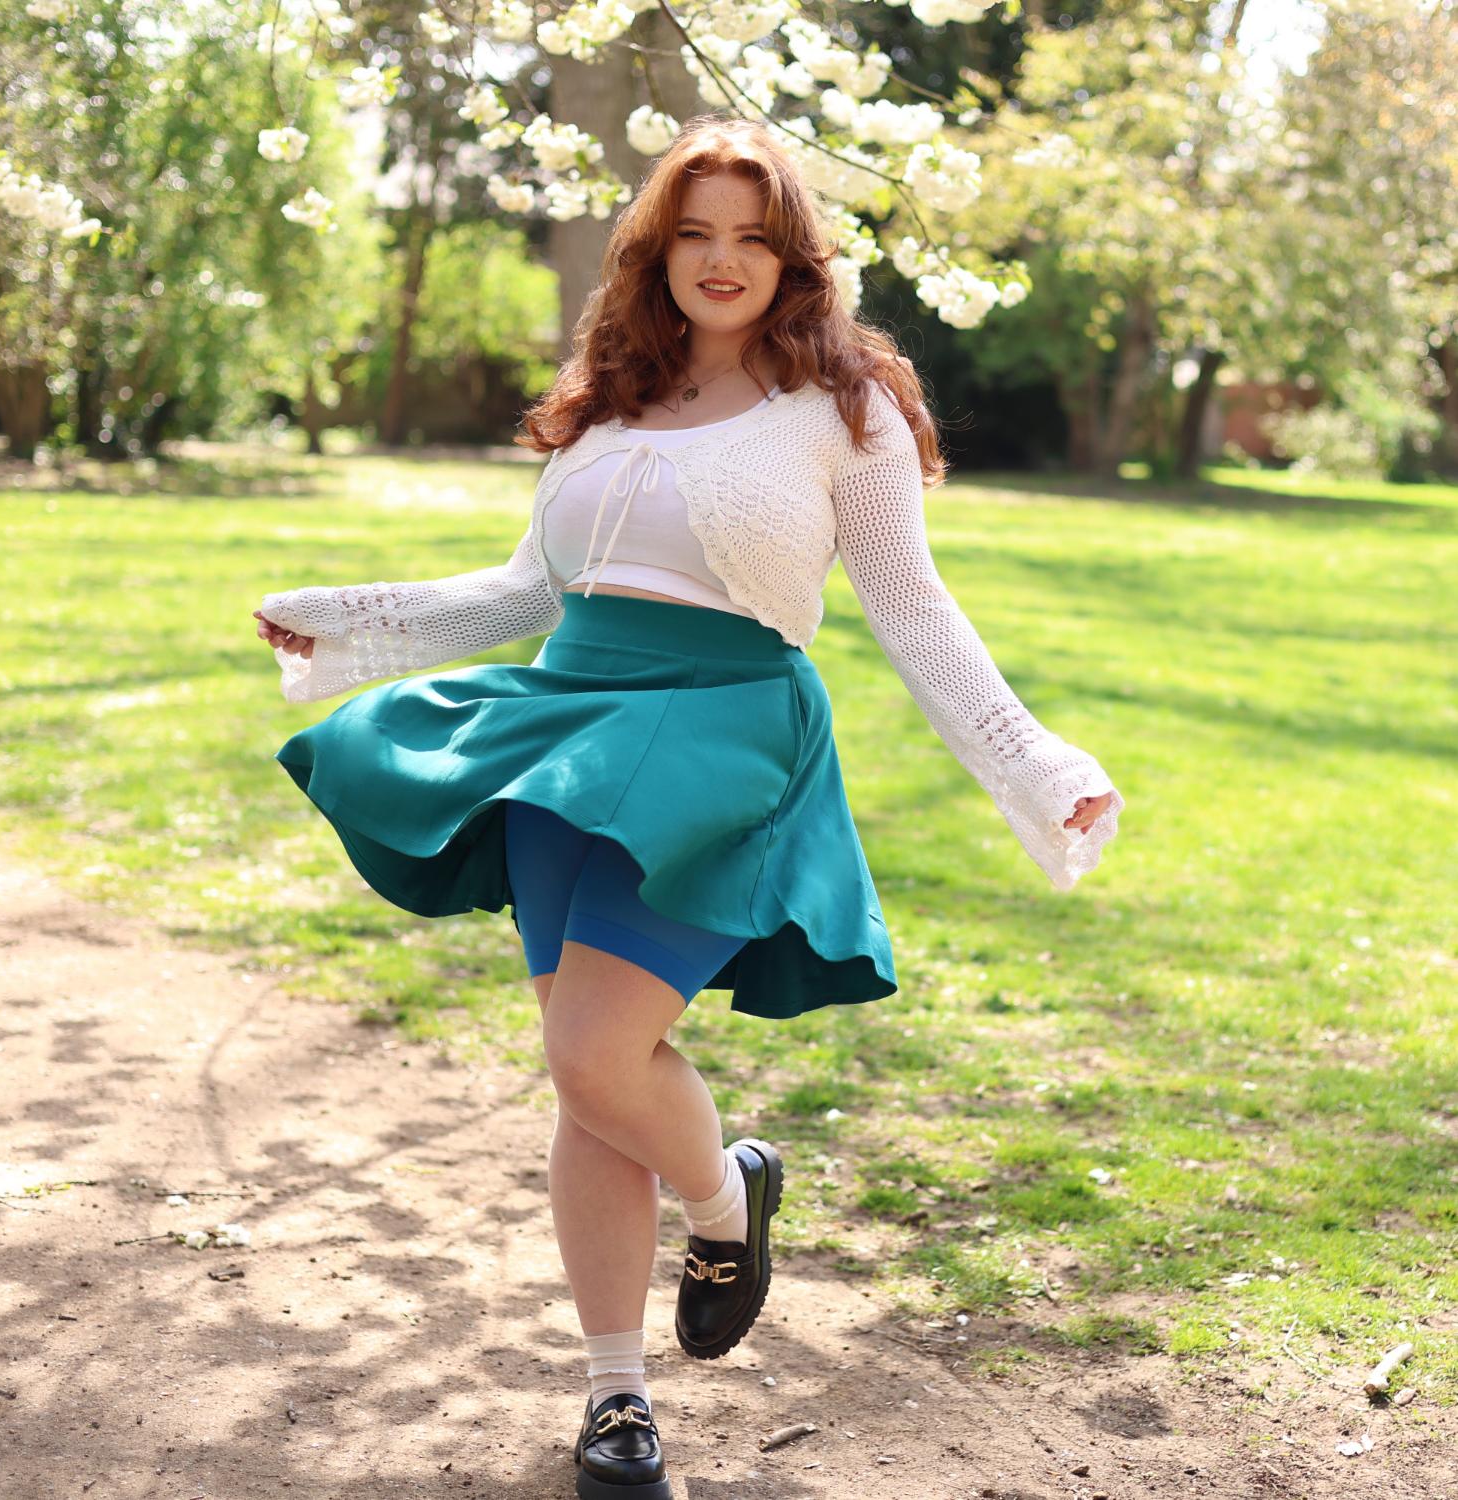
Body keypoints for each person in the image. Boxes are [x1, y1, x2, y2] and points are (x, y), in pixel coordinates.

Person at [254, 115, 1123, 1499]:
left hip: (722, 734)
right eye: (696, 235)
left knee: (597, 1054)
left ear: (794, 259)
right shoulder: (610, 393)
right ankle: (618, 1394)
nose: (723, 261)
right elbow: (528, 592)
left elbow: (912, 611)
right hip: (572, 739)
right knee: (587, 1074)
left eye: (753, 239)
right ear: (657, 252)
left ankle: (724, 1203)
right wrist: (347, 619)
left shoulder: (843, 411)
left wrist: (1038, 762)